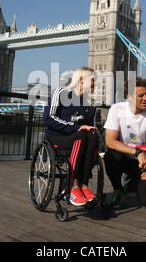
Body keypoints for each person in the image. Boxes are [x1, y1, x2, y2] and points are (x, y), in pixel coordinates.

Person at [104, 77, 146, 211]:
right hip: (122, 157)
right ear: (128, 96)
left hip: (140, 164)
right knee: (110, 157)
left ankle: (130, 185)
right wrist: (137, 152)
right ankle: (118, 188)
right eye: (141, 95)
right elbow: (110, 142)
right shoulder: (116, 109)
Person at [43, 67, 99, 206]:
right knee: (80, 136)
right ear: (81, 80)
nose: (96, 84)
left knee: (92, 136)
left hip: (79, 140)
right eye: (93, 81)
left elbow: (90, 128)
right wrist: (75, 127)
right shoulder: (61, 93)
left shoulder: (90, 104)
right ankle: (73, 185)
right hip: (57, 139)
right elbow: (48, 118)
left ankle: (84, 185)